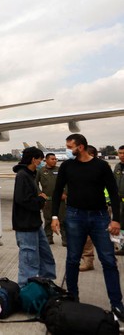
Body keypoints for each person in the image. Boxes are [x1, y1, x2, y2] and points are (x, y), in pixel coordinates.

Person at [50, 134, 123, 320]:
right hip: (75, 216)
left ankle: (116, 304)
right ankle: (73, 298)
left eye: (69, 146)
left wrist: (116, 219)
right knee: (73, 259)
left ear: (80, 147)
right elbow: (57, 191)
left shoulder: (101, 166)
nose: (67, 149)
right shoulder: (67, 166)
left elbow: (114, 193)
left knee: (108, 260)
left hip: (99, 217)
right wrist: (55, 216)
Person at [12, 147, 57, 287]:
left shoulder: (31, 174)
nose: (41, 162)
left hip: (35, 223)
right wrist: (40, 200)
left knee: (46, 255)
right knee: (29, 260)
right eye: (40, 159)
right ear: (33, 159)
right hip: (25, 225)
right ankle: (26, 290)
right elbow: (22, 199)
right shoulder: (22, 175)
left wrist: (38, 198)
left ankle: (46, 283)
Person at [36, 153, 67, 246]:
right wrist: (39, 193)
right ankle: (48, 238)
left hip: (60, 200)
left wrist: (65, 193)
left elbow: (67, 182)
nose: (55, 161)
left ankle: (65, 239)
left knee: (63, 220)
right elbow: (35, 183)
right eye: (52, 159)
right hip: (48, 201)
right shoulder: (41, 171)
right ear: (46, 160)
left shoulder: (60, 170)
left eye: (55, 159)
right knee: (48, 220)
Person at [114, 145, 124, 255]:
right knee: (121, 225)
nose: (122, 155)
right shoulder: (117, 166)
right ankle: (122, 247)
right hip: (120, 202)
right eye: (120, 153)